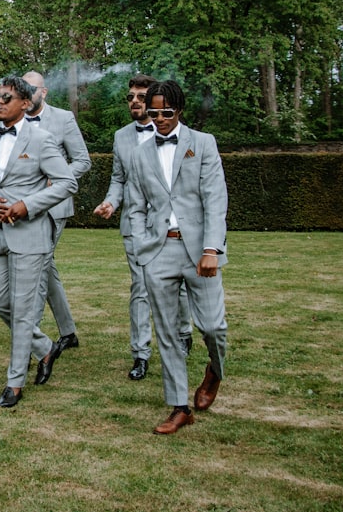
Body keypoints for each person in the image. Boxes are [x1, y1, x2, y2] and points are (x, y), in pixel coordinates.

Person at [128, 80, 229, 435]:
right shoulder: (140, 153)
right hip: (158, 252)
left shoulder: (202, 144)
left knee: (213, 327)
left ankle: (215, 369)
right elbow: (136, 206)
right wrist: (143, 249)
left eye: (165, 112)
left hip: (200, 250)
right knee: (168, 332)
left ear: (179, 111)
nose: (159, 119)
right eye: (153, 112)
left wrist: (211, 249)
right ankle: (179, 407)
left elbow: (215, 199)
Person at [0, 76, 77, 407]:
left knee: (22, 311)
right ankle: (45, 348)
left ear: (25, 103)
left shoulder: (42, 138)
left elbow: (67, 182)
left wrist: (27, 205)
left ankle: (14, 382)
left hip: (30, 235)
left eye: (7, 97)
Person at [94, 75, 193, 381]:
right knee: (140, 289)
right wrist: (111, 202)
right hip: (135, 227)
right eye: (130, 97)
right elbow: (118, 179)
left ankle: (183, 332)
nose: (134, 101)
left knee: (176, 287)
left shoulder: (178, 134)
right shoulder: (122, 136)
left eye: (141, 96)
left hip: (173, 227)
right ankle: (141, 354)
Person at [21, 70, 91, 367]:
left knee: (36, 269)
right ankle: (68, 331)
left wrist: (56, 179)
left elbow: (82, 161)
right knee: (46, 268)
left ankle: (29, 339)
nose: (26, 94)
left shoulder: (63, 119)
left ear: (44, 92)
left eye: (31, 89)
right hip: (23, 208)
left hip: (53, 208)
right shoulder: (13, 119)